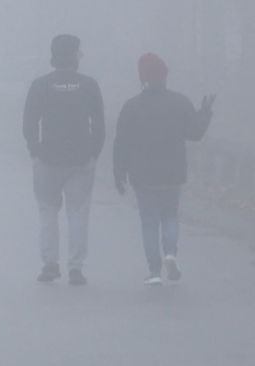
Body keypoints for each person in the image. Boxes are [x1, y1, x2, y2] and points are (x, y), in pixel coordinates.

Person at [113, 53, 214, 285]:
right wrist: (205, 113)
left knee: (149, 221)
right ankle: (171, 253)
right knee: (170, 215)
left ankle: (154, 271)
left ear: (143, 78)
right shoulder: (180, 102)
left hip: (142, 175)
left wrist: (119, 174)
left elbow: (121, 144)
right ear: (165, 76)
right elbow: (195, 133)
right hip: (172, 173)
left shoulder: (131, 106)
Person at [23, 34, 105, 285]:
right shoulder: (89, 85)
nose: (82, 54)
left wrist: (36, 151)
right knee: (78, 213)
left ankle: (50, 264)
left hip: (48, 158)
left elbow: (29, 123)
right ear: (73, 54)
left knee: (48, 211)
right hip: (81, 160)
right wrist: (93, 152)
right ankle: (76, 268)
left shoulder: (40, 85)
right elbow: (99, 124)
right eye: (80, 50)